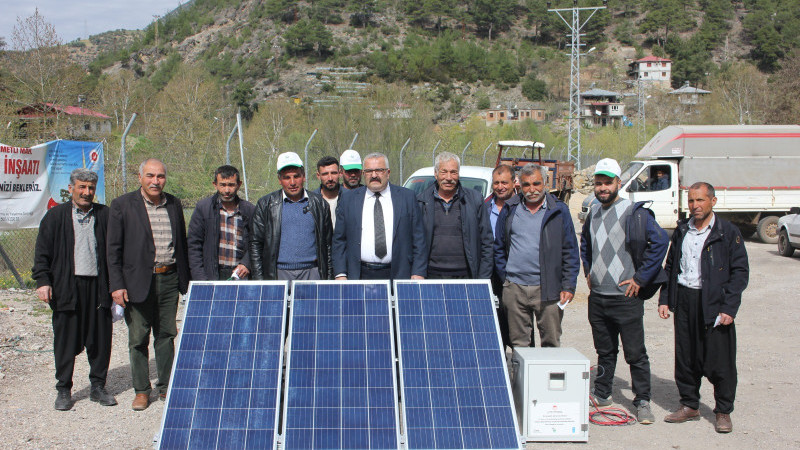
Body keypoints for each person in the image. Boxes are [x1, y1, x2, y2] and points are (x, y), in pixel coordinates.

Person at [580, 158, 668, 424]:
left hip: (626, 299)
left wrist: (640, 279)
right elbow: (585, 243)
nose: (603, 187)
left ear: (619, 183)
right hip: (599, 299)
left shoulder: (634, 212)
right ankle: (603, 393)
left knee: (635, 353)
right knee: (605, 351)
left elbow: (661, 242)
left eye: (608, 182)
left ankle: (642, 401)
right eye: (599, 183)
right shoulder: (593, 211)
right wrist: (588, 270)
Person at [659, 182, 749, 433]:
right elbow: (671, 267)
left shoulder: (727, 232)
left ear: (713, 201)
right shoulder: (682, 231)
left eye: (700, 200)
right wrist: (665, 298)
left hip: (714, 302)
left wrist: (729, 307)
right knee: (686, 356)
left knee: (720, 359)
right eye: (691, 201)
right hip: (686, 299)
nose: (695, 206)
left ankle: (723, 411)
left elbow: (740, 272)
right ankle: (689, 405)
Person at [107, 158, 190, 411]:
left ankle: (166, 387)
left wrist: (184, 280)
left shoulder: (174, 204)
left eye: (161, 176)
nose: (156, 181)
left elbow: (182, 244)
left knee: (166, 334)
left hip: (169, 278)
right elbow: (113, 250)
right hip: (137, 282)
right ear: (140, 177)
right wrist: (117, 285)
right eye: (151, 176)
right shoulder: (122, 205)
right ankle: (142, 390)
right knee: (138, 337)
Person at [32, 168, 116, 410]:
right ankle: (63, 389)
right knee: (65, 340)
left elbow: (115, 253)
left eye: (90, 188)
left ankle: (98, 386)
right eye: (81, 187)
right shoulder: (55, 217)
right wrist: (43, 281)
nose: (86, 192)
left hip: (98, 287)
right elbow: (42, 254)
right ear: (71, 189)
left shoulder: (105, 215)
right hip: (66, 287)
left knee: (100, 339)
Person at [494, 163, 579, 348]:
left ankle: (546, 378)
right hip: (515, 288)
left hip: (548, 289)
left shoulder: (559, 211)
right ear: (519, 185)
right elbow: (499, 247)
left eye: (536, 184)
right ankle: (521, 378)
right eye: (526, 185)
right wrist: (506, 279)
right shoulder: (510, 209)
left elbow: (570, 250)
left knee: (550, 342)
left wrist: (568, 285)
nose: (532, 190)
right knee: (519, 344)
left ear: (546, 183)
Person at [333, 152, 427, 280]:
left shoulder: (407, 198)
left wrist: (418, 272)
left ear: (388, 172)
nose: (374, 175)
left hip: (399, 274)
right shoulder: (348, 200)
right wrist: (340, 274)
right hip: (360, 275)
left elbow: (419, 239)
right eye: (369, 171)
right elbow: (339, 241)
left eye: (379, 170)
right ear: (363, 173)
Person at [250, 152, 332, 281]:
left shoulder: (319, 203)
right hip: (278, 274)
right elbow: (256, 244)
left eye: (296, 176)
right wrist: (260, 280)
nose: (292, 182)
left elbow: (328, 245)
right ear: (279, 180)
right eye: (286, 177)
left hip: (312, 273)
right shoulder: (266, 204)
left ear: (304, 176)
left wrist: (328, 278)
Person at [417, 152, 493, 280]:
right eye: (443, 172)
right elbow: (414, 243)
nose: (448, 177)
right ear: (436, 174)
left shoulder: (474, 200)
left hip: (466, 276)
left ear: (458, 174)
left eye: (453, 172)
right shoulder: (421, 201)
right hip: (431, 276)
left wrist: (483, 278)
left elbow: (487, 242)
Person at [187, 165, 255, 281]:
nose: (227, 190)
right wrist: (200, 278)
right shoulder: (203, 208)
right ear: (215, 185)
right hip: (212, 274)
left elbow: (257, 242)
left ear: (239, 184)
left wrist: (246, 263)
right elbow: (194, 246)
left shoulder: (249, 210)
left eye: (231, 185)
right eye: (222, 185)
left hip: (240, 275)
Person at [313, 156, 342, 228]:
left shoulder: (349, 198)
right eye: (325, 174)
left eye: (333, 173)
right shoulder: (312, 200)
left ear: (340, 173)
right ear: (318, 175)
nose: (330, 178)